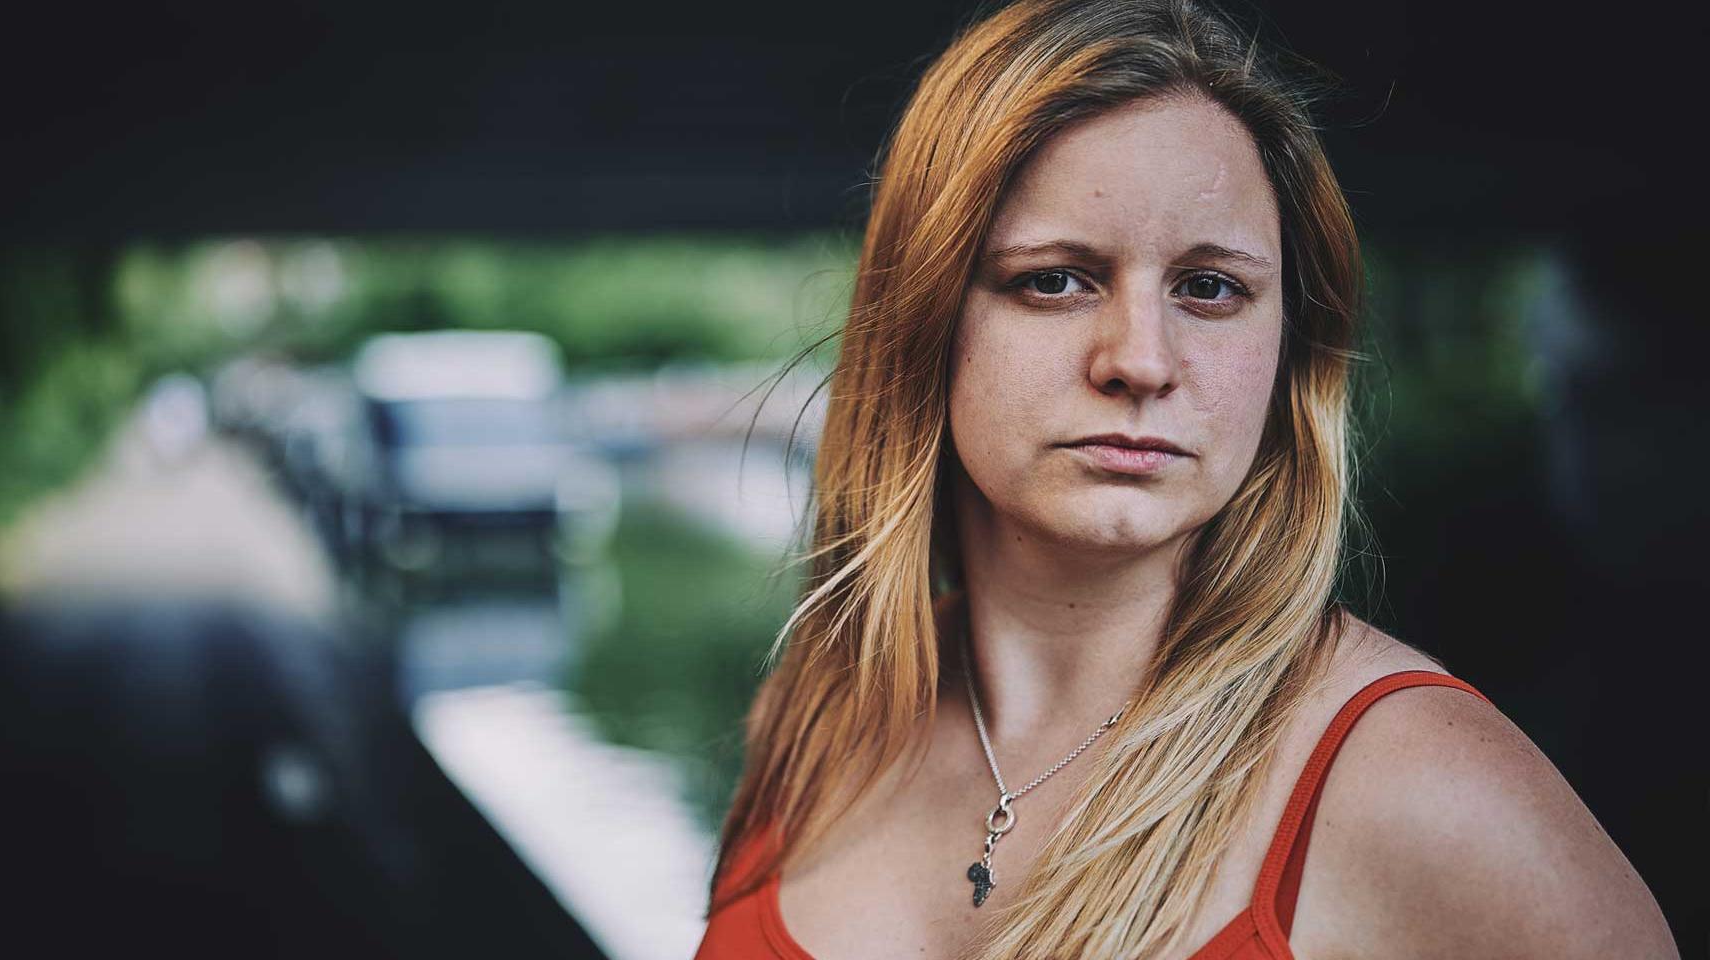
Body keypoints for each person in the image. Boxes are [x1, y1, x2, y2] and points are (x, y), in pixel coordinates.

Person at [694, 0, 1678, 957]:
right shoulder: (824, 714)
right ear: (926, 320)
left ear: (1289, 351)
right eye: (1056, 278)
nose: (1141, 360)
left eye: (1210, 288)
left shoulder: (1421, 781)